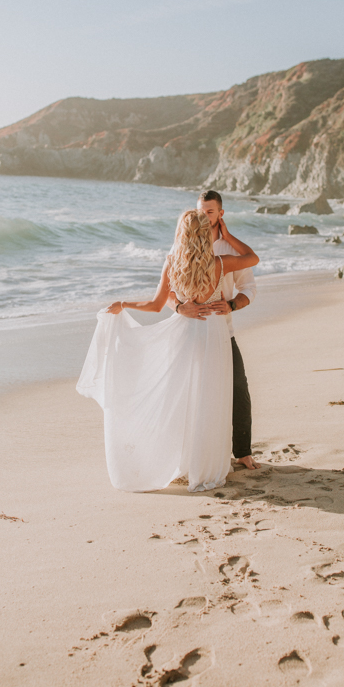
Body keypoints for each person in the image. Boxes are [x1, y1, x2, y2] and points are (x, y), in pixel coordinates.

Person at [76, 209, 259, 493]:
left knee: (188, 397)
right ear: (205, 232)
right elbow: (253, 258)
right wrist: (226, 234)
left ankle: (185, 462)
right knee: (213, 399)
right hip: (215, 332)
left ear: (182, 234)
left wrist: (123, 304)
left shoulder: (173, 263)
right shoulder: (221, 264)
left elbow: (154, 305)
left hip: (187, 333)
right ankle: (209, 464)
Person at [168, 190, 259, 471]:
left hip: (223, 333)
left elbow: (249, 290)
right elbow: (168, 291)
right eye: (199, 212)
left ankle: (242, 452)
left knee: (238, 389)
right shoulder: (182, 246)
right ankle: (193, 454)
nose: (203, 217)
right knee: (192, 393)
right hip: (192, 333)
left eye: (209, 212)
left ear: (221, 214)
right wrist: (179, 307)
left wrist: (231, 305)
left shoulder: (230, 252)